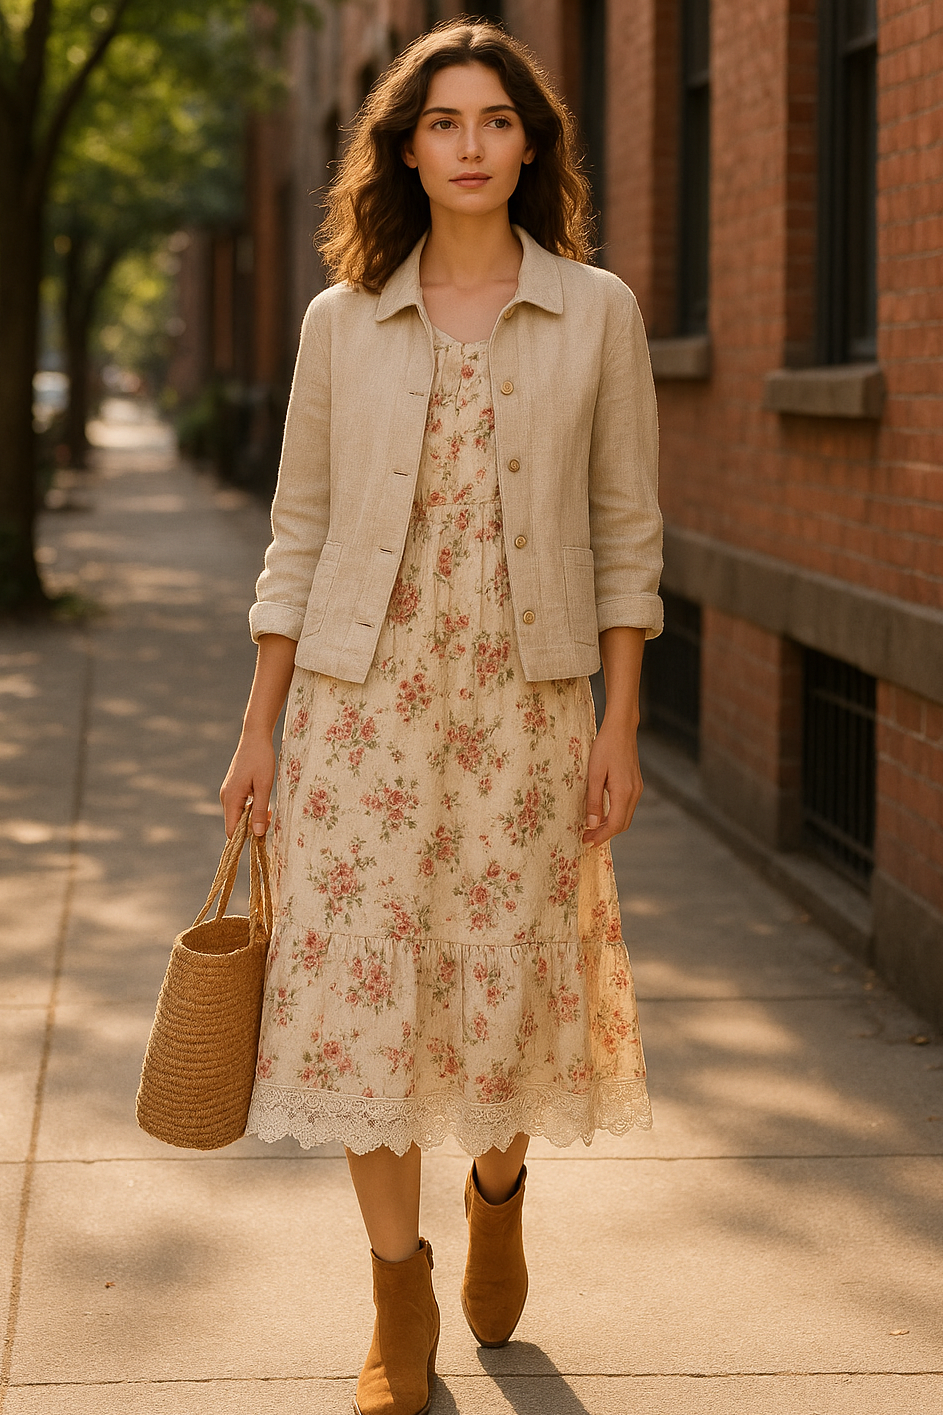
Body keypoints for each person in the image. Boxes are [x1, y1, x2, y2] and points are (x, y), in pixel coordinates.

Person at [220, 19, 662, 1415]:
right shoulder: (339, 323)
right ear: (405, 151)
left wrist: (619, 724)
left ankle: (497, 1188)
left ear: (531, 147)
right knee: (359, 1003)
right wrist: (257, 731)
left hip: (526, 715)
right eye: (444, 122)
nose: (471, 145)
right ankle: (395, 1296)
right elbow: (296, 534)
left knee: (503, 989)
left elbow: (626, 533)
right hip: (359, 712)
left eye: (496, 121)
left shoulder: (597, 311)